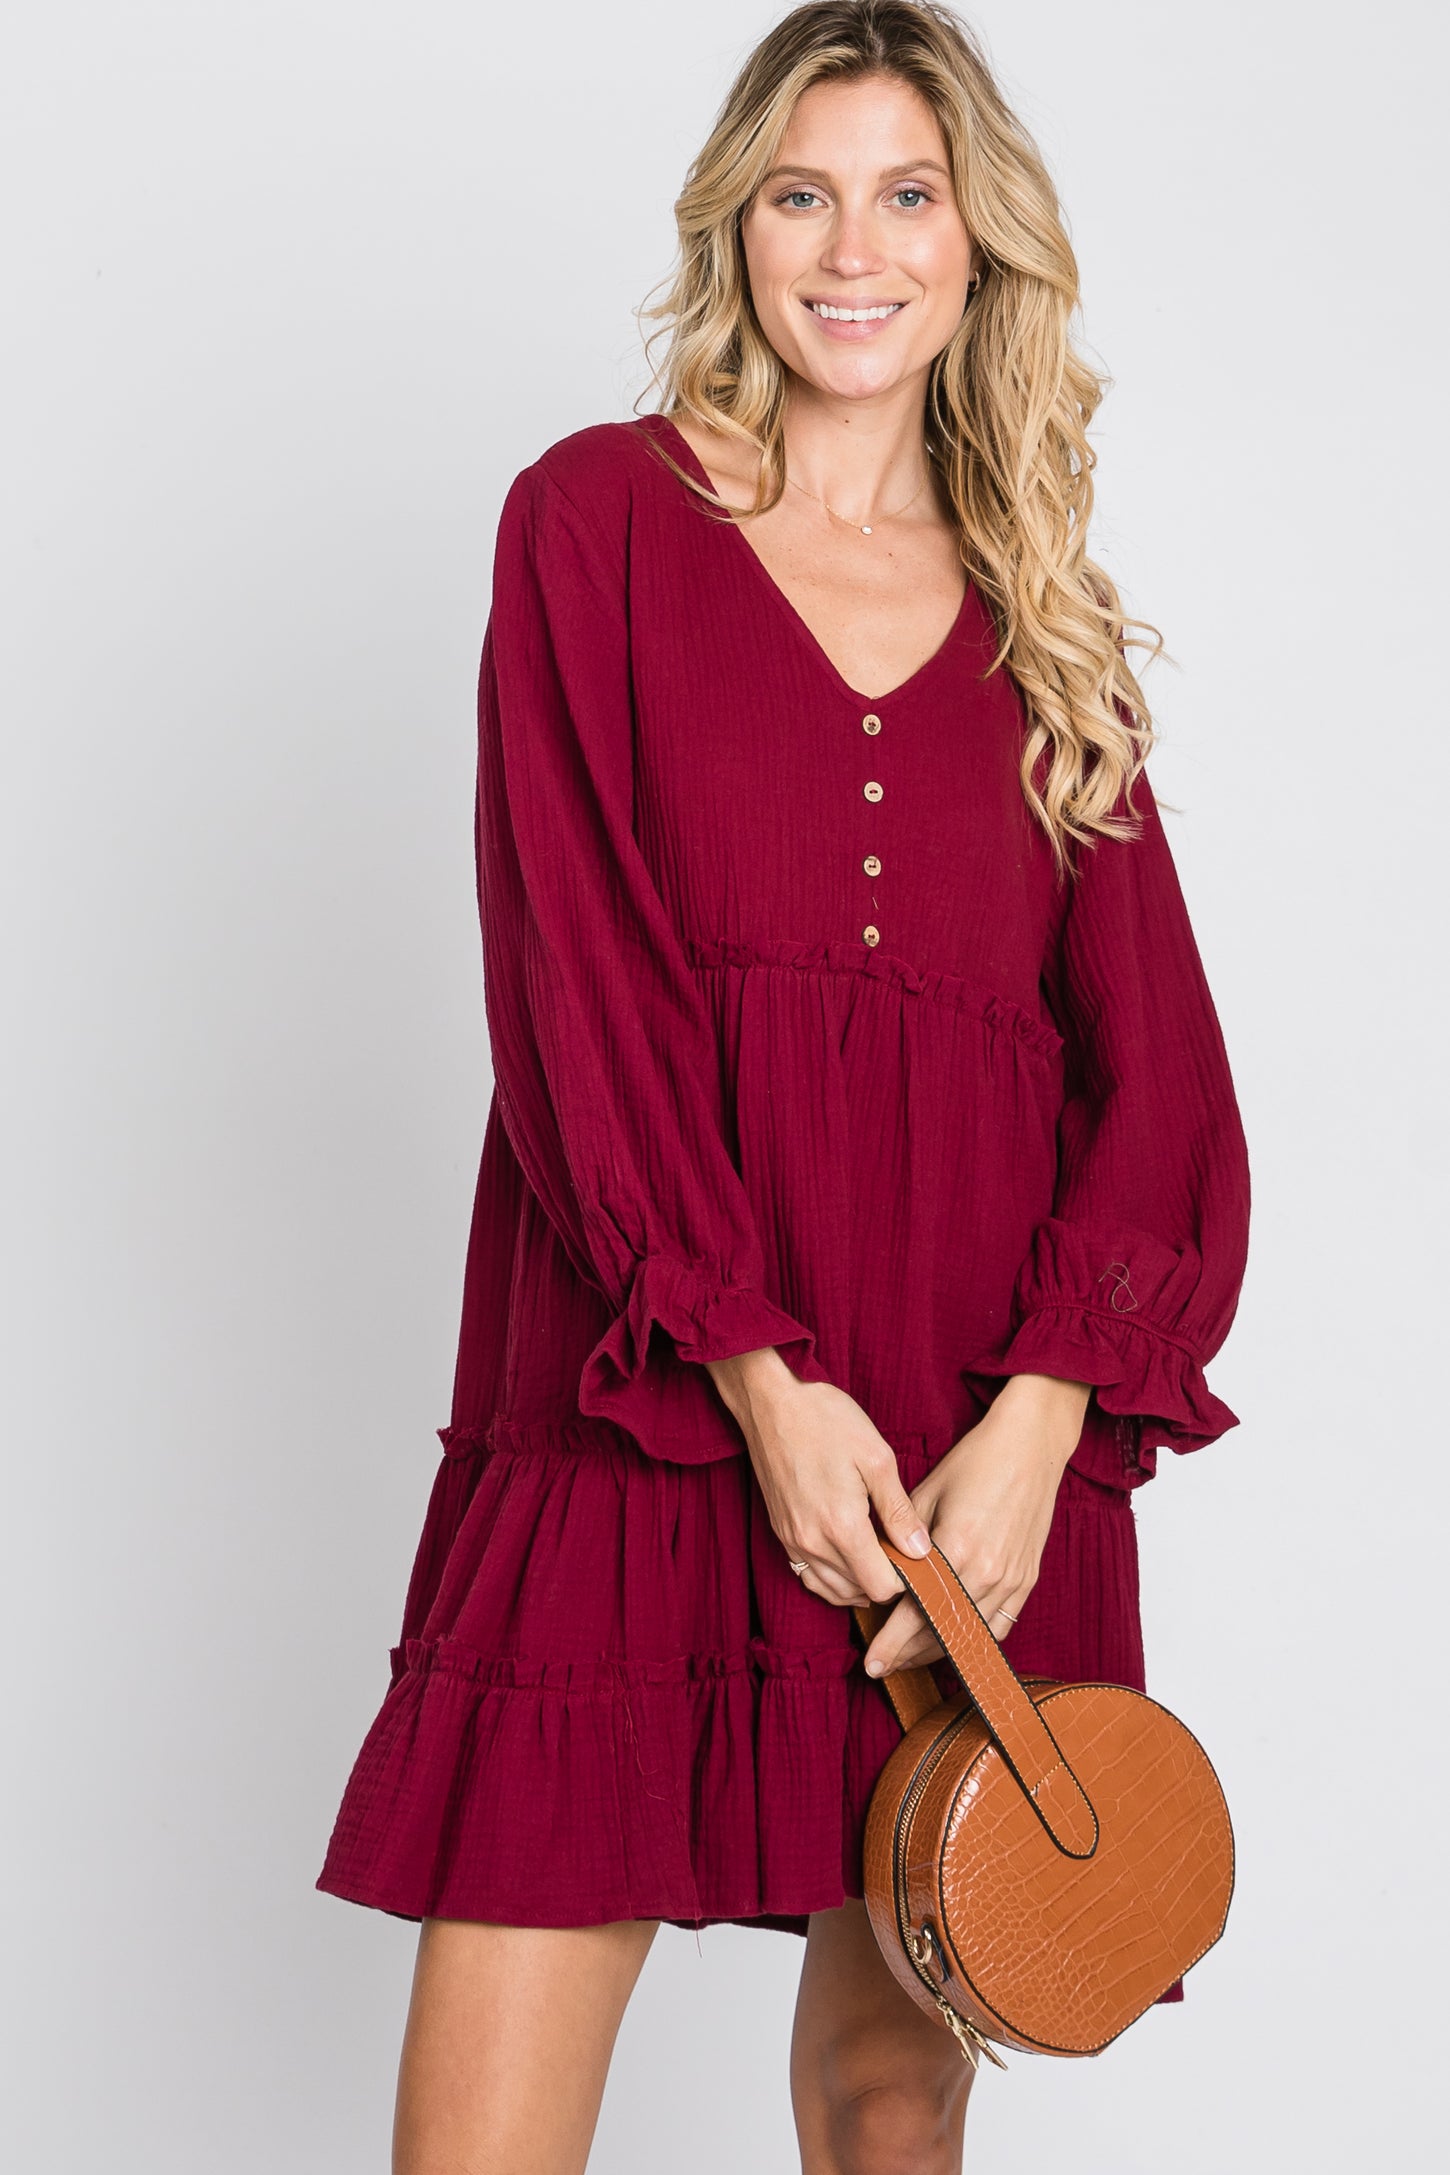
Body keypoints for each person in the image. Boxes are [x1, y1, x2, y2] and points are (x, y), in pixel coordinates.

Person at [316, 4, 1252, 2167]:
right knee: (484, 2120)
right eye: (800, 194)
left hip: (959, 1442)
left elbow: (1159, 1075)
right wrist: (750, 1368)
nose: (852, 248)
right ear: (733, 227)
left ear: (976, 240)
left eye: (905, 195)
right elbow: (575, 976)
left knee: (883, 2086)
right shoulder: (594, 522)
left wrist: (1037, 1425)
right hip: (649, 1385)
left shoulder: (1042, 618)